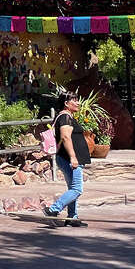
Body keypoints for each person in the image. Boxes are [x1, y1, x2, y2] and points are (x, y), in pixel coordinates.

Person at [43, 92, 89, 225]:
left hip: (67, 158)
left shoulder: (66, 116)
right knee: (76, 189)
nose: (78, 103)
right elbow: (65, 137)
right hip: (70, 159)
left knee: (72, 188)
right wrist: (73, 157)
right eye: (74, 100)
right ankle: (53, 209)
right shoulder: (65, 117)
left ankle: (72, 218)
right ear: (66, 103)